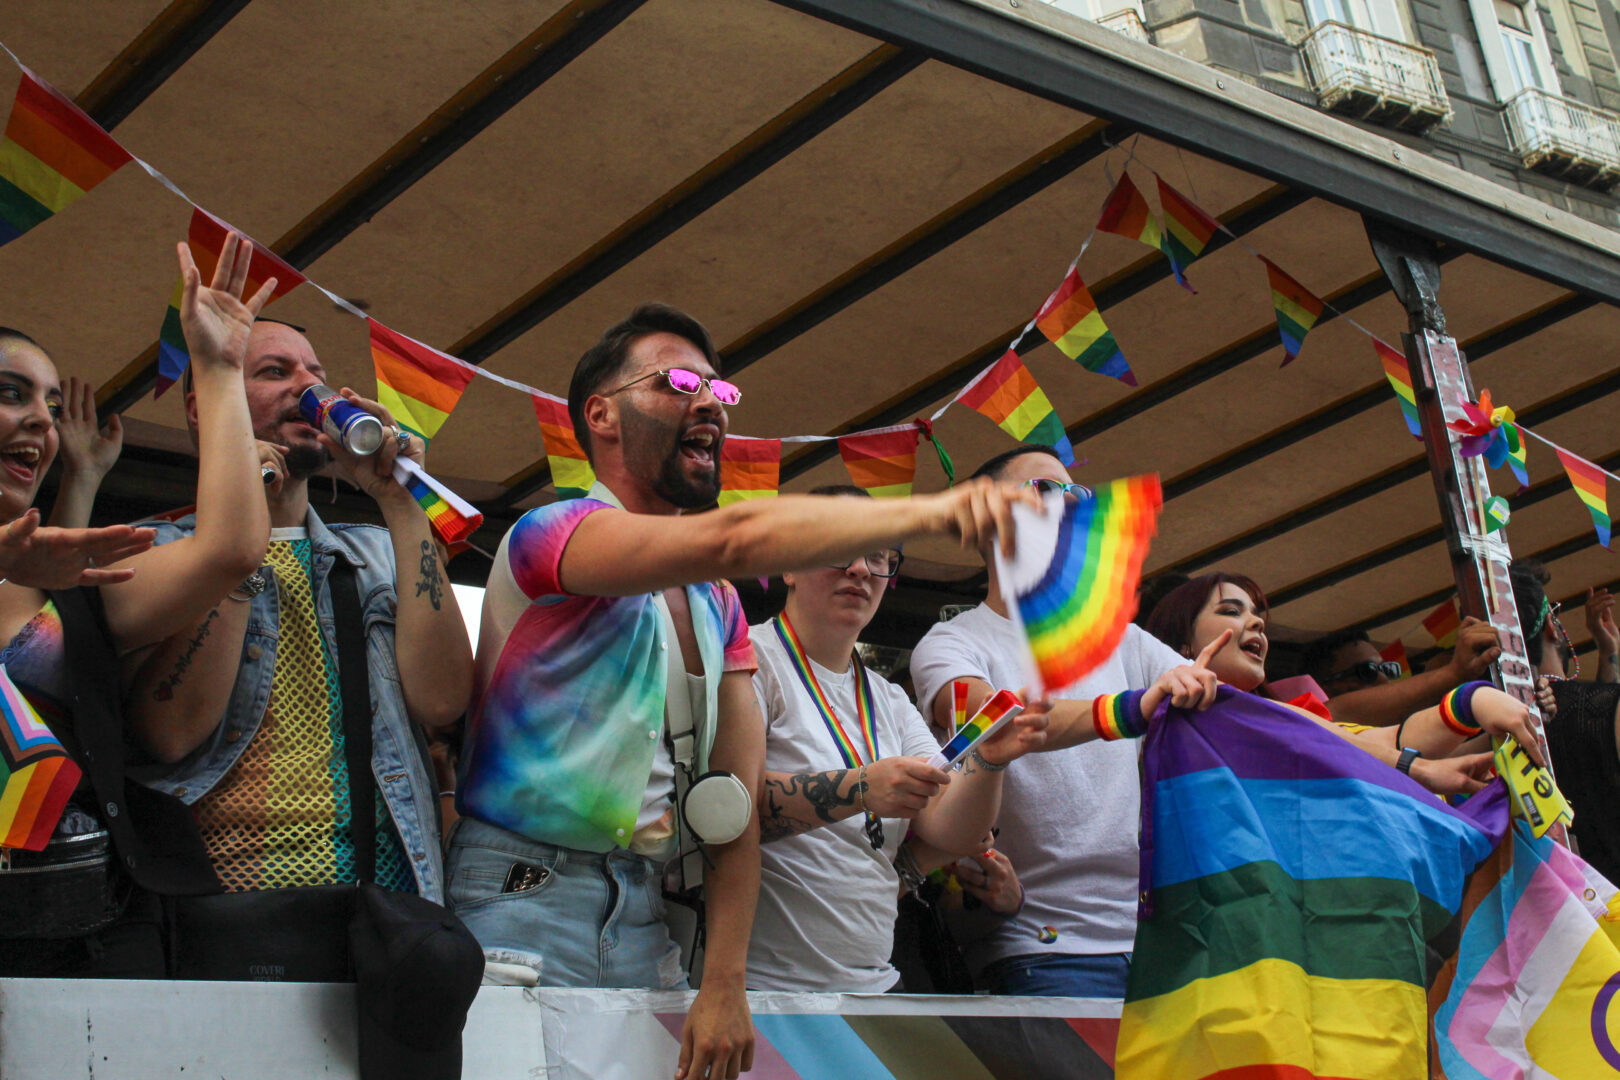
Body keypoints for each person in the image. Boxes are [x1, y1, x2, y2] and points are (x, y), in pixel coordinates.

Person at [450, 304, 1037, 1080]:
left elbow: (732, 807)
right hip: (520, 893)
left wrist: (724, 984)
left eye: (720, 394)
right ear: (602, 414)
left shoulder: (716, 601)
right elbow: (730, 537)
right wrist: (936, 509)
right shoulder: (552, 532)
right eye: (678, 381)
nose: (709, 403)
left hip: (646, 907)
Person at [124, 279, 474, 964]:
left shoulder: (378, 550)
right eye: (275, 372)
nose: (308, 389)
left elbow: (443, 699)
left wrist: (398, 498)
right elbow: (172, 732)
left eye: (316, 374)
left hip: (388, 923)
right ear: (206, 410)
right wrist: (242, 524)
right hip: (222, 919)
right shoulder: (155, 554)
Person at [0, 234, 275, 977]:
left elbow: (229, 552)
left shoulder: (72, 590)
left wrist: (217, 369)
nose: (41, 422)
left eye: (51, 406)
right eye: (10, 393)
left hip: (74, 949)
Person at [909, 444, 1195, 999]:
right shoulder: (951, 643)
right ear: (987, 519)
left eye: (1076, 493)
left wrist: (1400, 749)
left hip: (1158, 944)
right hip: (1038, 948)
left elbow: (1234, 719)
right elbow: (994, 725)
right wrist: (1130, 707)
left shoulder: (1124, 640)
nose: (1065, 504)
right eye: (1043, 489)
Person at [745, 485, 1049, 993]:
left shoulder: (887, 697)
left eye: (880, 556)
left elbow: (950, 829)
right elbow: (730, 806)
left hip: (874, 985)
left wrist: (990, 762)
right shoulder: (752, 659)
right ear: (789, 562)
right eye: (841, 547)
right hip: (761, 988)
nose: (862, 569)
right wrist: (861, 788)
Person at [1144, 573, 1540, 787]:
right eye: (1231, 611)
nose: (1258, 622)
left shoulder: (1281, 714)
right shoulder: (1149, 719)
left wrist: (1472, 702)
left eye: (1257, 615)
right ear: (1179, 648)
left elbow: (1380, 741)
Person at [1303, 617, 1503, 727]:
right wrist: (1453, 673)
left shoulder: (1407, 738)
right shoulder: (1313, 725)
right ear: (1325, 687)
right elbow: (1334, 712)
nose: (1383, 678)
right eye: (1368, 671)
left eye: (1388, 669)